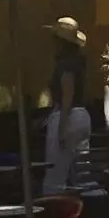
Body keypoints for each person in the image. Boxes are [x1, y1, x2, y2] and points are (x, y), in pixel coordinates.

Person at [41, 17, 93, 196]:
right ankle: (93, 207)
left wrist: (62, 126)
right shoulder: (79, 63)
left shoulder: (65, 65)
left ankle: (53, 212)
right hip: (82, 116)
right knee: (82, 172)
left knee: (55, 175)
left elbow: (67, 96)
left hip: (68, 117)